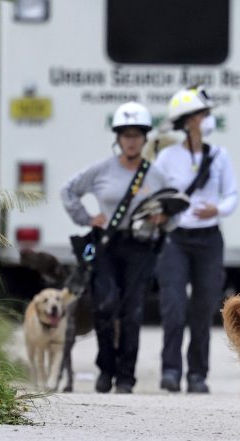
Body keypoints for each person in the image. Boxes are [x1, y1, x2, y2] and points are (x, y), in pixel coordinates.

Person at [61, 101, 167, 394]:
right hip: (106, 244)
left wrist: (163, 219)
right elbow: (68, 190)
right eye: (125, 134)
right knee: (105, 305)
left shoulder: (155, 175)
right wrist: (86, 218)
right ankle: (105, 369)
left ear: (144, 139)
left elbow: (174, 209)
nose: (131, 140)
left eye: (136, 135)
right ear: (118, 139)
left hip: (141, 246)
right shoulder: (101, 170)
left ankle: (125, 376)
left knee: (131, 310)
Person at [153, 86, 239, 393]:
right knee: (173, 305)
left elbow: (232, 195)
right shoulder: (167, 157)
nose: (207, 119)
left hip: (209, 239)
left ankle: (197, 374)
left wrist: (217, 209)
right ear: (188, 120)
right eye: (202, 114)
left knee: (204, 308)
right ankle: (171, 370)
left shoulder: (219, 156)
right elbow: (154, 195)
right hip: (176, 239)